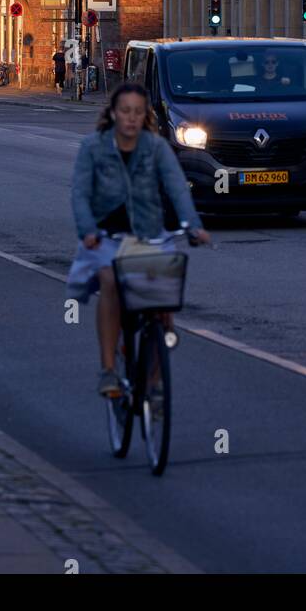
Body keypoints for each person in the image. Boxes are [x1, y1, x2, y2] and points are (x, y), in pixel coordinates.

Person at [68, 82, 210, 397]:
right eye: (125, 111)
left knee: (163, 310)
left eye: (137, 112)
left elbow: (176, 188)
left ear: (145, 115)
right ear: (113, 114)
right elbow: (80, 193)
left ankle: (154, 385)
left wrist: (193, 226)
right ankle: (107, 370)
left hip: (150, 236)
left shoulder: (157, 148)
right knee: (110, 282)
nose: (131, 118)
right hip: (107, 237)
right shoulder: (94, 147)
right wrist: (88, 229)